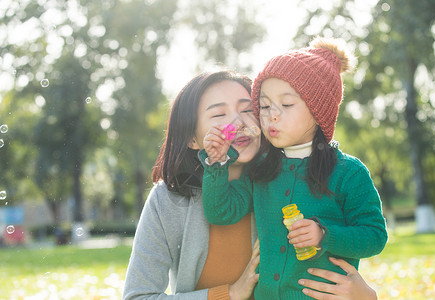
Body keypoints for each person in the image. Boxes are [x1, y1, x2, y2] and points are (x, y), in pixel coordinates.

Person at [123, 70, 379, 300]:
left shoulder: (287, 181)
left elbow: (360, 237)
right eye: (219, 114)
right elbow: (139, 297)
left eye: (248, 110)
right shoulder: (168, 201)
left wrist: (367, 298)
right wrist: (229, 294)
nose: (240, 123)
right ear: (192, 137)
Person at [199, 37, 388, 300]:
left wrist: (324, 234)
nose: (271, 115)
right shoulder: (262, 169)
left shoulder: (349, 172)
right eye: (264, 106)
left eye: (286, 104)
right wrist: (217, 164)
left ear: (319, 111)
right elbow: (221, 212)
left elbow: (374, 236)